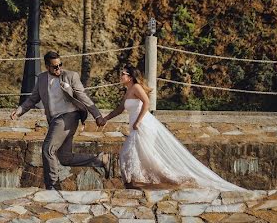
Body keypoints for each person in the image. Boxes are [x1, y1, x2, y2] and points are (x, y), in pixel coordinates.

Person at [101, 64, 244, 190]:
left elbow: (146, 103)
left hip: (143, 125)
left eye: (123, 74)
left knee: (130, 152)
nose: (120, 76)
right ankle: (138, 182)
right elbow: (120, 109)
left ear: (130, 77)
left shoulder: (136, 87)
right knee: (142, 155)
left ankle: (166, 180)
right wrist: (105, 119)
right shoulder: (128, 90)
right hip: (136, 126)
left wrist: (138, 121)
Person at [10, 51, 109, 190]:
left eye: (60, 65)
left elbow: (82, 96)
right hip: (55, 120)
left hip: (69, 116)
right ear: (47, 67)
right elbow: (33, 99)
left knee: (47, 149)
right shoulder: (42, 79)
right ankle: (100, 159)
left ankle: (53, 187)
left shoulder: (70, 76)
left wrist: (97, 116)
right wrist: (19, 111)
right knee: (64, 158)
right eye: (55, 66)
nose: (58, 68)